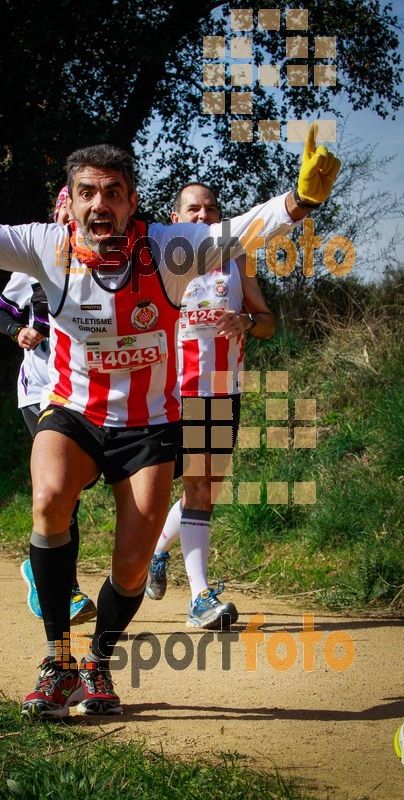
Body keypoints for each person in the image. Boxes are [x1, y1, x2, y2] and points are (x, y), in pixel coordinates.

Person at [0, 120, 340, 718]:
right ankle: (57, 660)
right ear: (70, 202)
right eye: (88, 192)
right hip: (72, 412)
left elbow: (241, 229)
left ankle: (98, 661)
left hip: (148, 424)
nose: (101, 204)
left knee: (132, 562)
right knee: (48, 498)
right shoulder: (46, 245)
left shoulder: (169, 249)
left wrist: (300, 200)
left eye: (114, 192)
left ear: (132, 203)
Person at [145, 182, 274, 630]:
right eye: (193, 209)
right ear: (176, 216)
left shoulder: (237, 258)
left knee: (203, 488)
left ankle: (159, 555)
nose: (203, 215)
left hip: (222, 389)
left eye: (211, 208)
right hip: (172, 394)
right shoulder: (157, 261)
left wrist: (247, 320)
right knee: (192, 486)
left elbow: (268, 323)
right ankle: (199, 597)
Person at [0, 260, 96, 626]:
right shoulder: (34, 262)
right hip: (39, 393)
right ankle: (66, 590)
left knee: (76, 487)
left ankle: (42, 570)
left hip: (81, 393)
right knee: (62, 487)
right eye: (64, 210)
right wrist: (18, 331)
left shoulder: (105, 268)